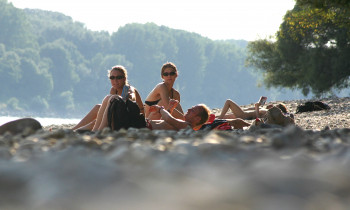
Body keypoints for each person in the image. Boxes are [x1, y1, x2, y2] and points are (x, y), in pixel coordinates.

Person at [73, 65, 144, 131]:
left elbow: (132, 99)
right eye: (112, 78)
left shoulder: (128, 89)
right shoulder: (113, 90)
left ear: (124, 78)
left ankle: (80, 131)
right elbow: (110, 108)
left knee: (95, 121)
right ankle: (74, 129)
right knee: (98, 107)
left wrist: (129, 96)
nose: (115, 80)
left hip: (133, 120)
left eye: (118, 77)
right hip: (119, 116)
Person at [95, 99, 210, 131]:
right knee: (114, 101)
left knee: (116, 102)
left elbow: (169, 119)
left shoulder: (187, 127)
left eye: (193, 110)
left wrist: (161, 109)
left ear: (197, 118)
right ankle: (98, 130)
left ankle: (98, 132)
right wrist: (169, 108)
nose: (189, 109)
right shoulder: (183, 125)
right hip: (142, 125)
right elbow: (167, 122)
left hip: (141, 126)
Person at [218, 99, 290, 120]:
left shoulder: (267, 112)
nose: (272, 106)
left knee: (228, 102)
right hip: (242, 113)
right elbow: (248, 109)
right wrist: (257, 106)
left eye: (274, 107)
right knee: (218, 116)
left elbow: (258, 118)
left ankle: (220, 119)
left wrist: (257, 107)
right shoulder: (264, 109)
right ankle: (218, 118)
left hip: (243, 116)